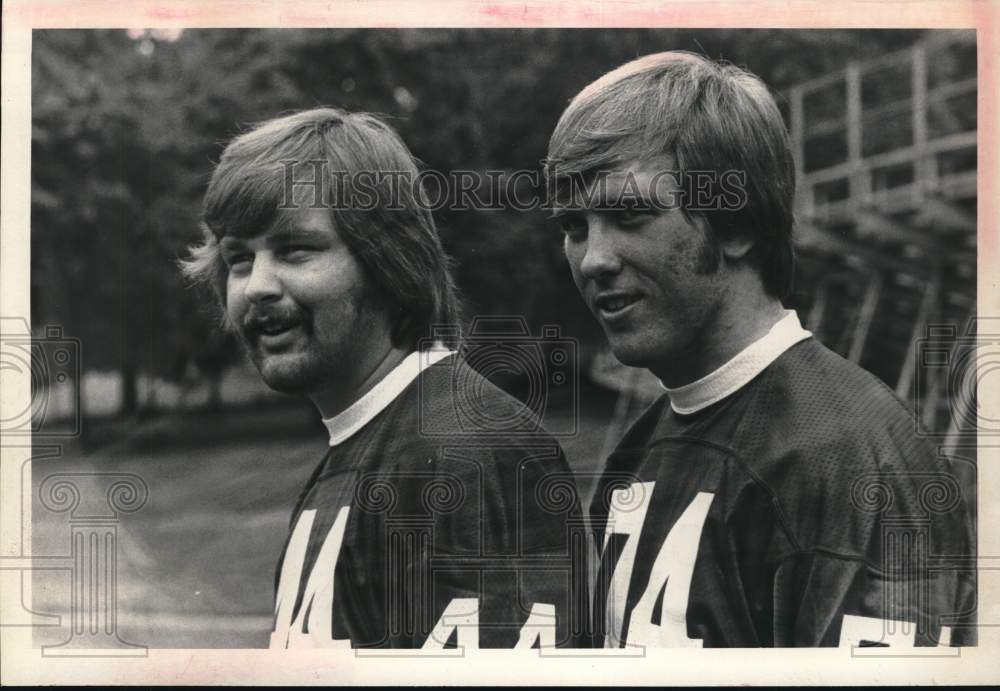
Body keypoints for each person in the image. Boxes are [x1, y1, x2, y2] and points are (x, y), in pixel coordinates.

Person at [545, 52, 975, 648]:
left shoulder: (849, 460)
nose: (594, 258)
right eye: (574, 226)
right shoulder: (639, 452)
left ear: (737, 223)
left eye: (630, 214)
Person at [182, 108, 586, 649]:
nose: (257, 286)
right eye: (238, 259)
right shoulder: (358, 448)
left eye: (295, 250)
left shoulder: (467, 451)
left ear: (387, 259)